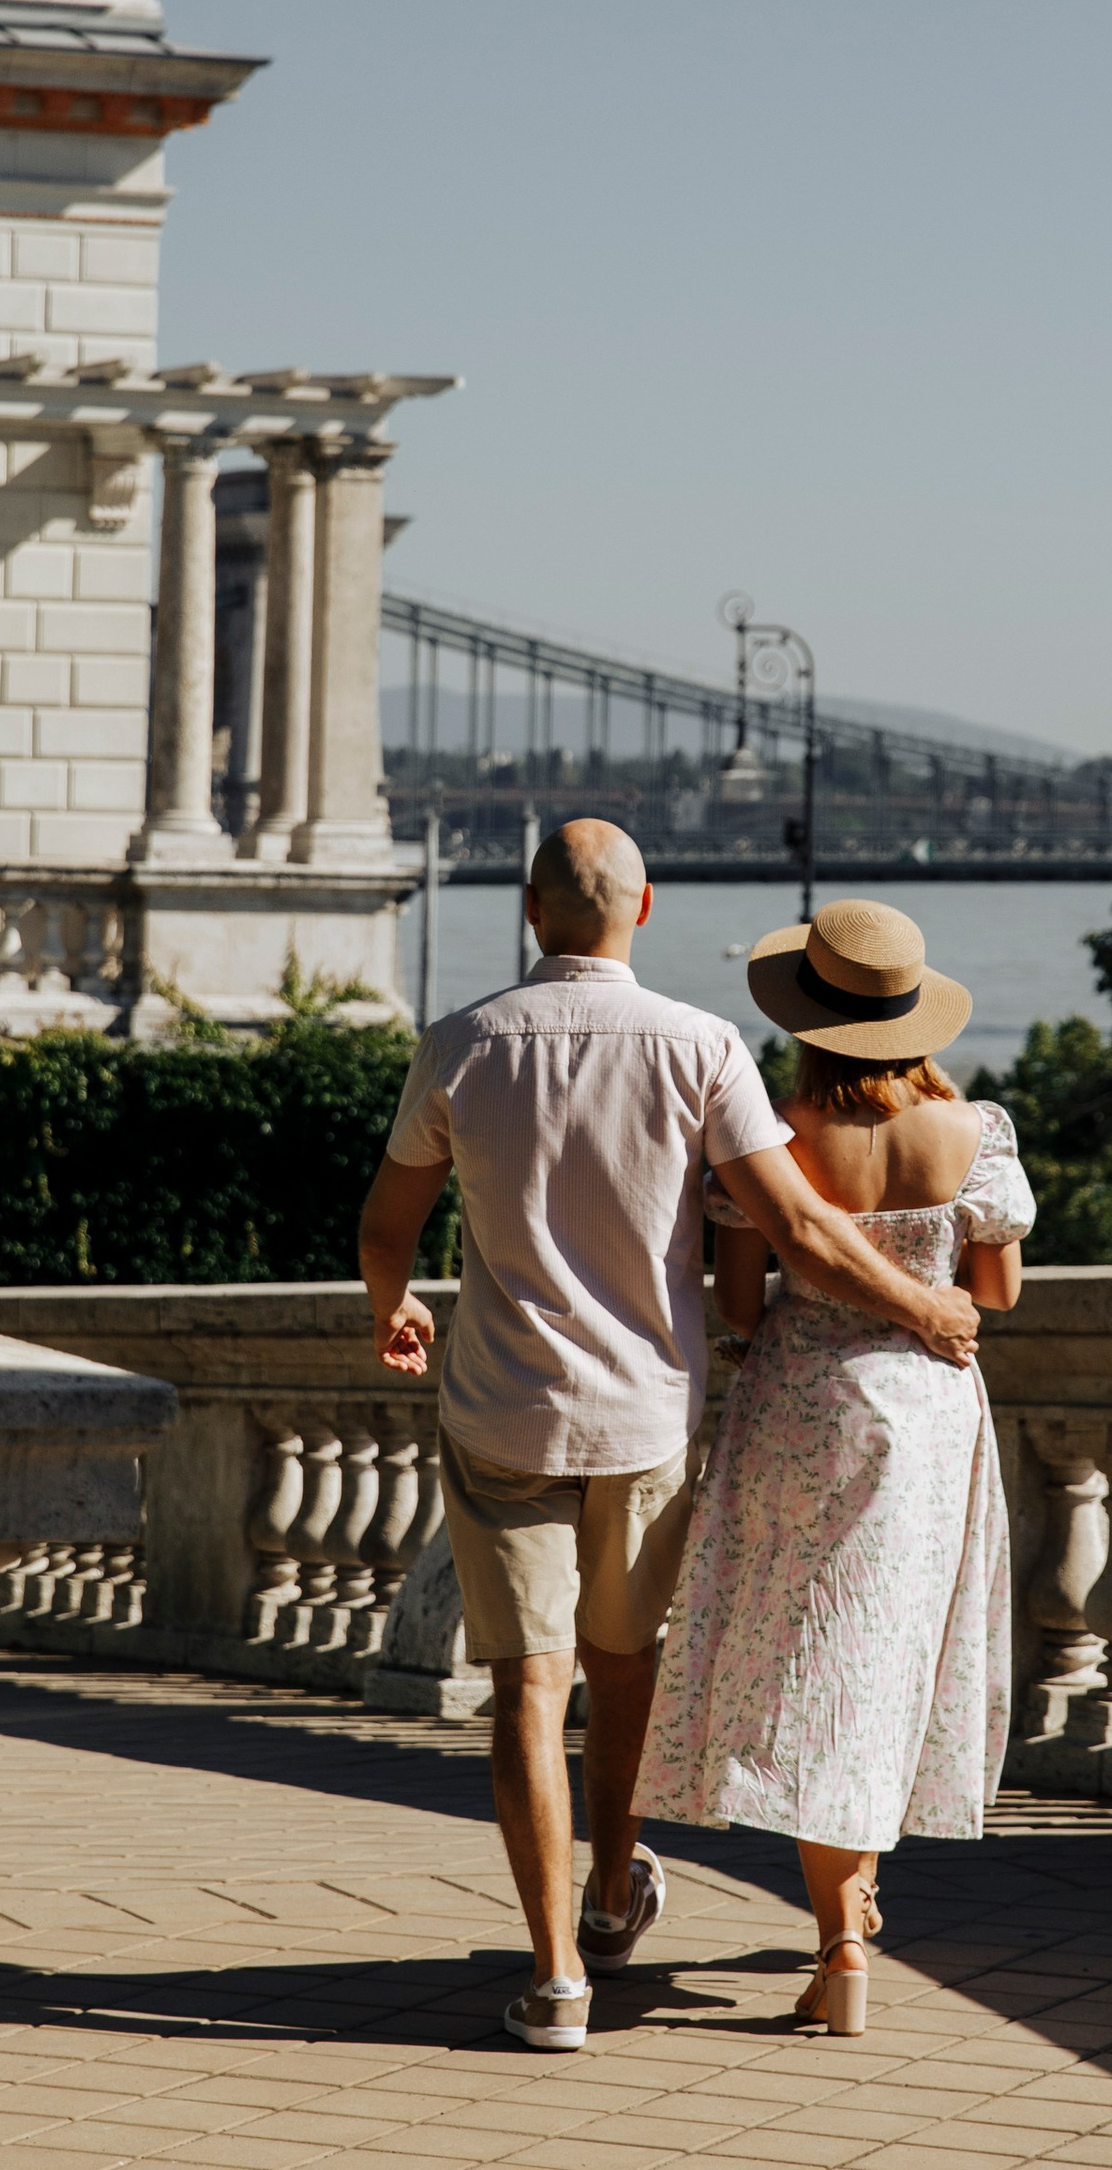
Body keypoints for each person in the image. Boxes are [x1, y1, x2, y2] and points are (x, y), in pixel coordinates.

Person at [358, 823, 981, 2055]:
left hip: (502, 1407)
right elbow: (797, 1225)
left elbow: (387, 1222)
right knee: (624, 1664)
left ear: (532, 909)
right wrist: (922, 1306)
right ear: (642, 903)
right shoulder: (700, 1048)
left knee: (527, 1691)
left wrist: (395, 1307)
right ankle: (609, 1888)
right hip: (647, 1415)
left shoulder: (461, 1044)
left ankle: (553, 1983)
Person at [632, 900, 1034, 2039]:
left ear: (807, 1021)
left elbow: (740, 1302)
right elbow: (994, 1298)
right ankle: (847, 1925)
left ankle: (843, 1932)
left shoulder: (777, 1133)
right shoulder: (975, 1134)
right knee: (884, 1660)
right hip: (930, 1416)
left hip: (801, 1411)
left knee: (816, 1662)